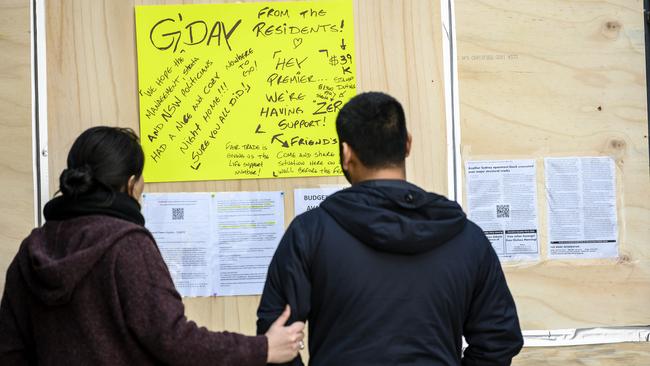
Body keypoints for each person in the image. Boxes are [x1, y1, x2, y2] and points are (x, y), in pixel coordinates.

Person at [257, 92, 523, 365]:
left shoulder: (309, 234)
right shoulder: (468, 238)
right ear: (407, 144)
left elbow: (274, 333)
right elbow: (499, 339)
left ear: (346, 153)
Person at [0, 126, 305, 365]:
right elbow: (174, 341)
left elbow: (10, 351)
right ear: (132, 184)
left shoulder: (31, 249)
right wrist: (263, 349)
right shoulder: (126, 245)